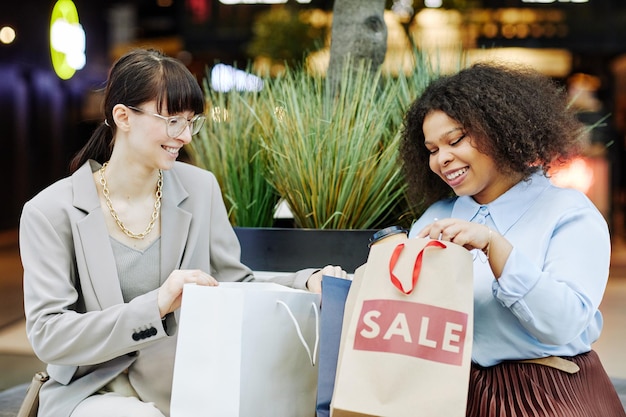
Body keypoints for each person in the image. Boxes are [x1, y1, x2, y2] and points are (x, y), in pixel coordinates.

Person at [19, 48, 344, 417]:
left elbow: (233, 281)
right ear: (123, 116)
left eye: (192, 122)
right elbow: (50, 335)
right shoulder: (49, 212)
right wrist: (156, 306)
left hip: (188, 388)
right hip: (92, 392)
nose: (186, 136)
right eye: (173, 120)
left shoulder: (200, 188)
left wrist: (305, 282)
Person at [399, 62, 626, 417]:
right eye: (431, 149)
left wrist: (495, 247)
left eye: (455, 140)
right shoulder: (436, 217)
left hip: (547, 395)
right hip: (450, 396)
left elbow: (563, 323)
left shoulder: (568, 213)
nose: (442, 159)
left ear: (499, 129)